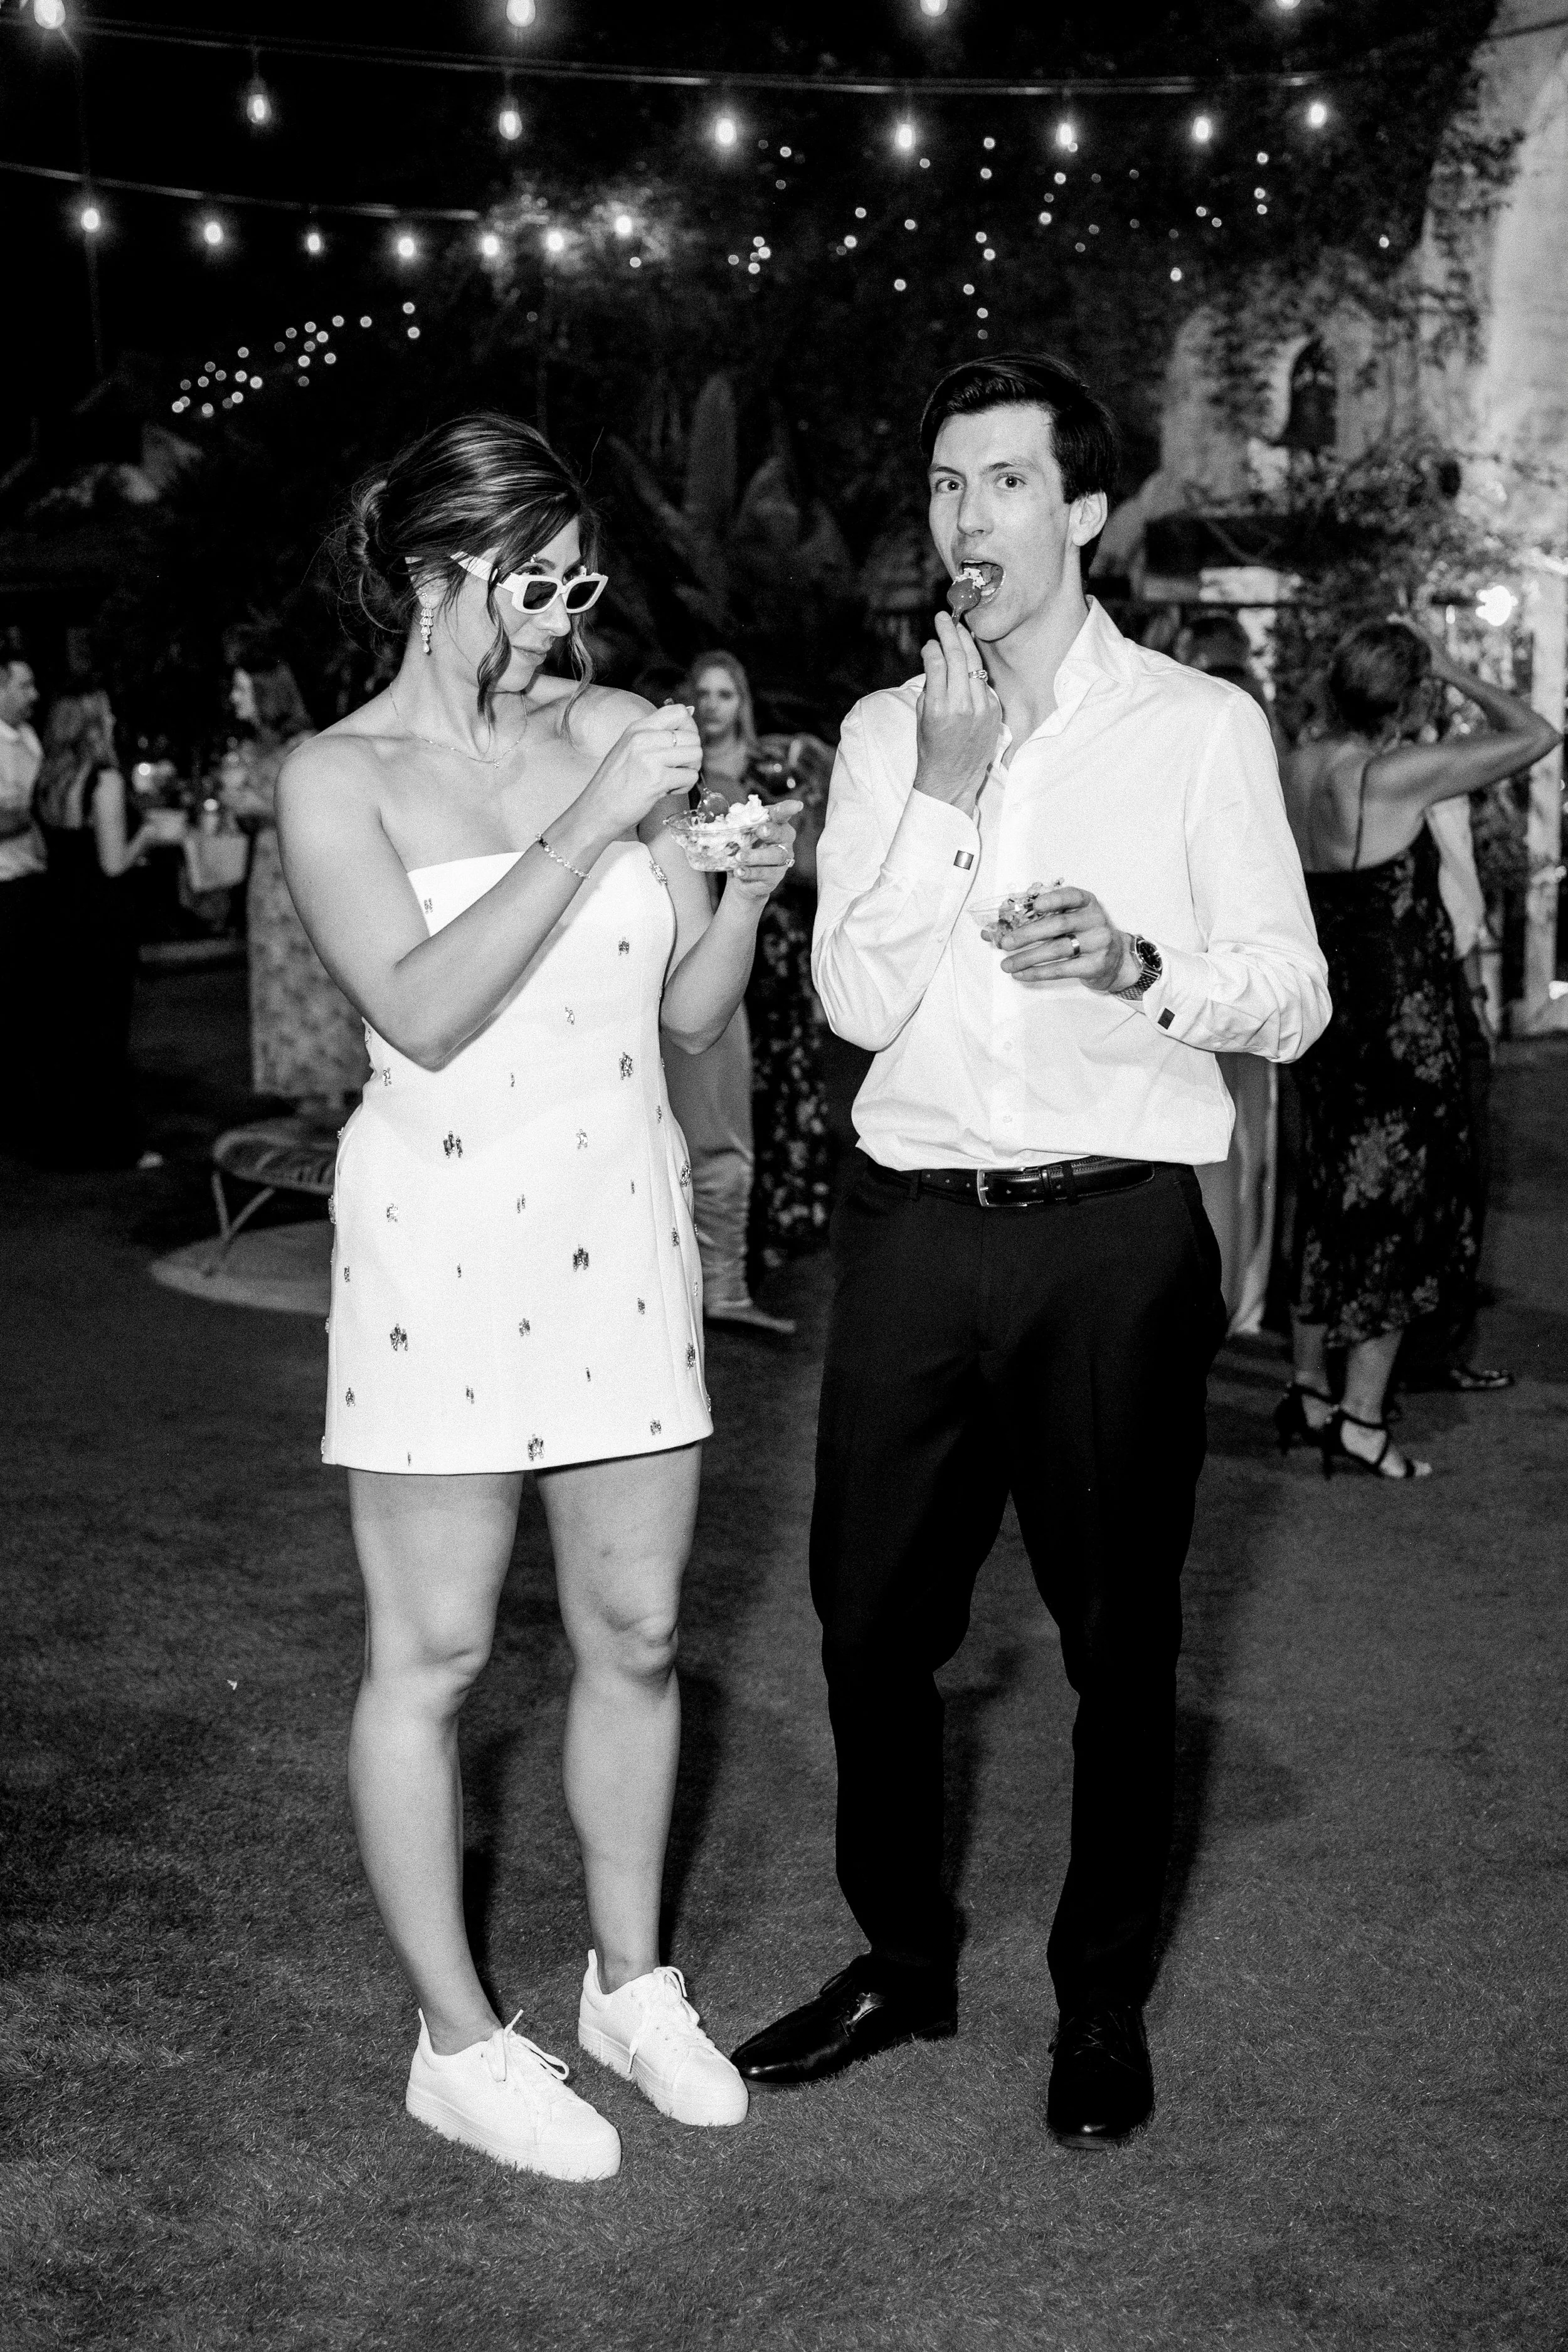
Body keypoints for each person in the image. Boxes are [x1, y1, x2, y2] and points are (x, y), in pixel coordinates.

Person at [730, 353, 1329, 2145]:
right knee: (861, 1623)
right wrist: (942, 781)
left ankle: (1095, 1995)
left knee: (1119, 1639)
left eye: (999, 483)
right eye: (941, 487)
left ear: (1079, 511)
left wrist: (1142, 967)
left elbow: (1289, 994)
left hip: (1107, 1237)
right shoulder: (876, 732)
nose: (961, 520)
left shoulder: (1198, 729)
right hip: (912, 1227)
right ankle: (904, 1962)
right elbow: (846, 993)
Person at [277, 413, 797, 2182]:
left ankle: (628, 1982)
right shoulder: (333, 777)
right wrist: (594, 816)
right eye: (533, 584)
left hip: (618, 1225)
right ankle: (452, 2035)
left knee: (639, 1628)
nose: (565, 624)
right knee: (429, 1654)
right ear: (436, 571)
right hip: (438, 1245)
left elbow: (691, 1014)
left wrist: (734, 894)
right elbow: (420, 1010)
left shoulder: (604, 727)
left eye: (580, 583)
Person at [1278, 622, 1555, 1478]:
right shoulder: (1394, 774)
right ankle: (1362, 1419)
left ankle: (1310, 1389)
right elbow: (1538, 735)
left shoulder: (1297, 764)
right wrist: (1461, 669)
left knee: (1329, 1196)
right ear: (1409, 698)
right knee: (1400, 1215)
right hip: (1404, 1022)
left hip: (1329, 1013)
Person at [659, 650, 796, 1335]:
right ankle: (712, 1289)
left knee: (729, 1129)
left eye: (724, 694)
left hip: (753, 961)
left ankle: (726, 1285)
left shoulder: (763, 773)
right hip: (679, 967)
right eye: (700, 694)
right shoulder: (662, 791)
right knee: (703, 1131)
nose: (712, 707)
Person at [31, 691, 184, 1168]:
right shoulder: (105, 779)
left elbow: (43, 848)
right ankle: (112, 1144)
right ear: (93, 725)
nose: (116, 718)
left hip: (56, 915)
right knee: (104, 1031)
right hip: (99, 921)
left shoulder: (49, 778)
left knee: (66, 1032)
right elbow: (114, 863)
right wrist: (152, 833)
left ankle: (65, 1141)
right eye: (108, 713)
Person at [218, 639, 369, 1116]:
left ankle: (335, 1097)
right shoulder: (253, 748)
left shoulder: (305, 745)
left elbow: (321, 808)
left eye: (244, 690)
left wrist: (250, 803)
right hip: (268, 879)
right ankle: (307, 1098)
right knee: (281, 988)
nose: (236, 699)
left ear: (268, 694)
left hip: (305, 877)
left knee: (317, 985)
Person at [0, 645, 45, 1148]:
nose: (34, 696)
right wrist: (38, 811)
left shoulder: (29, 738)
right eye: (22, 686)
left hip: (34, 882)